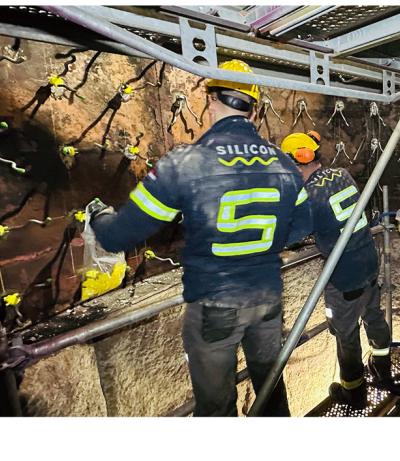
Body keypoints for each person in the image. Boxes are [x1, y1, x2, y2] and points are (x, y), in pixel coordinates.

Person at [89, 60, 313, 417]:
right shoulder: (284, 164)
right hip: (267, 299)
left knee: (216, 408)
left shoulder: (184, 164)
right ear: (255, 111)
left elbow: (118, 237)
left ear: (211, 101)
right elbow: (305, 221)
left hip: (213, 305)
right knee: (271, 390)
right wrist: (265, 245)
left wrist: (98, 215)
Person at [280, 131, 392, 409]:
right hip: (368, 261)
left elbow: (287, 236)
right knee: (374, 317)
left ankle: (354, 394)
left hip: (344, 276)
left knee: (346, 335)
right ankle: (383, 372)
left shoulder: (308, 197)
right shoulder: (342, 175)